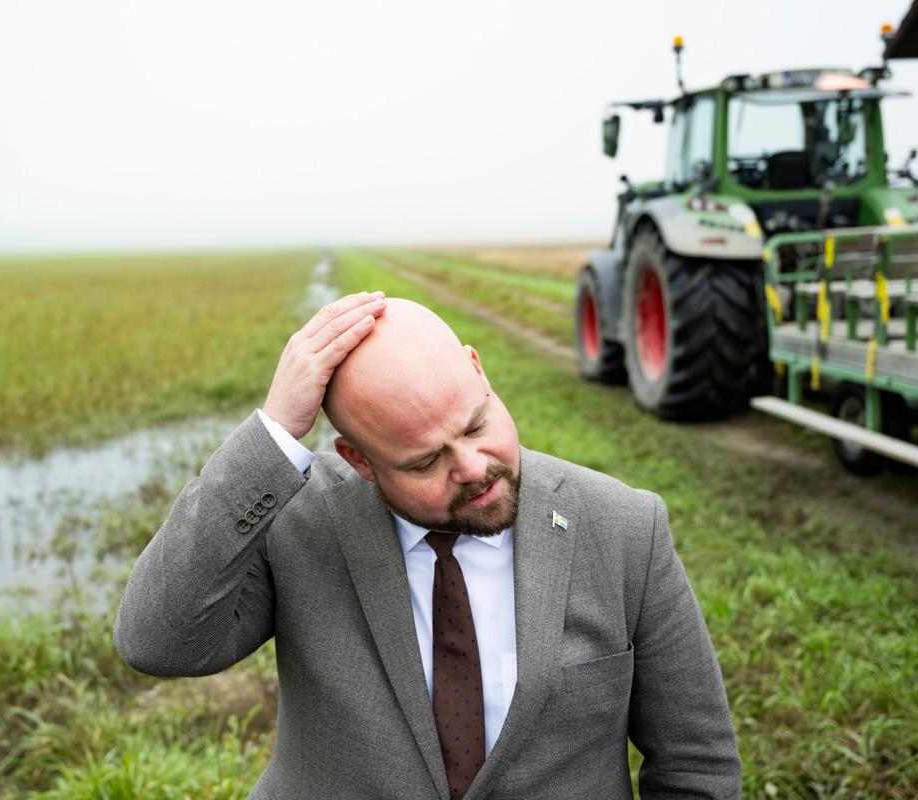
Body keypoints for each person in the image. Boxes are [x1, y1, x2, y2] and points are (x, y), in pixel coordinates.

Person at [114, 292, 741, 799]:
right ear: (358, 460)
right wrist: (273, 437)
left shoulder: (625, 528)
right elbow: (156, 640)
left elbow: (696, 766)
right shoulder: (298, 522)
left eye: (477, 424)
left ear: (478, 369)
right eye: (422, 461)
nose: (472, 467)